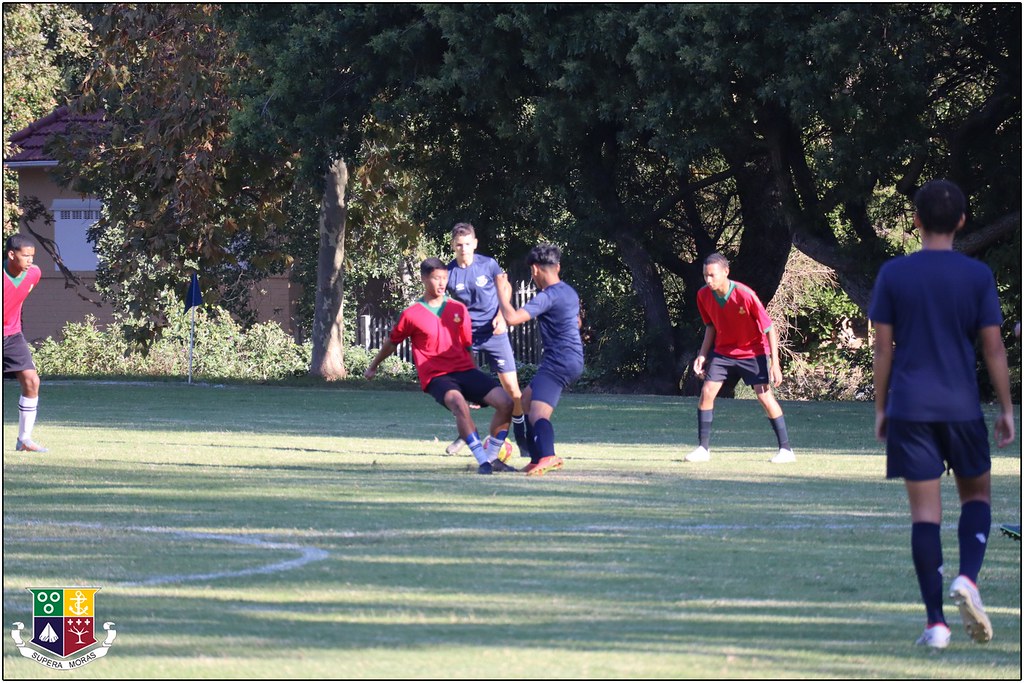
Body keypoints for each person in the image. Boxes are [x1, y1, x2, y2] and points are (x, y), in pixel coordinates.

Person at [869, 179, 1015, 649]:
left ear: (915, 221)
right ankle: (968, 577)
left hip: (910, 409)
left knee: (924, 516)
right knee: (977, 499)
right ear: (962, 222)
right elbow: (994, 348)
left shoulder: (894, 274)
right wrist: (1007, 408)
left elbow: (883, 349)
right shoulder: (977, 276)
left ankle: (936, 625)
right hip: (961, 408)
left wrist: (882, 407)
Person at [364, 257, 515, 474]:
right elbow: (392, 343)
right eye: (436, 278)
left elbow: (467, 346)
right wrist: (373, 365)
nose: (442, 283)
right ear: (424, 279)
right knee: (459, 404)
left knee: (506, 402)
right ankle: (483, 462)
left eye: (445, 278)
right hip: (437, 376)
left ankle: (492, 458)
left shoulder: (458, 308)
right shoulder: (411, 314)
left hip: (465, 370)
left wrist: (476, 378)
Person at [686, 253, 794, 464]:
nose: (708, 280)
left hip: (753, 352)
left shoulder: (745, 295)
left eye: (712, 275)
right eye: (705, 275)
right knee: (707, 392)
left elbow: (770, 329)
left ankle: (786, 450)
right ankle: (703, 449)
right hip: (723, 352)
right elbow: (710, 326)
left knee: (764, 397)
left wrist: (775, 363)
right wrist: (702, 355)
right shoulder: (703, 295)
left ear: (726, 272)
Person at [497, 243, 584, 476]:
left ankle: (548, 456)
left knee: (538, 414)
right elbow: (577, 322)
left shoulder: (548, 297)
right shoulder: (569, 292)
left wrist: (502, 295)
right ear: (558, 267)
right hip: (568, 358)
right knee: (526, 400)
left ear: (535, 269)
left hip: (559, 362)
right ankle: (536, 459)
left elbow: (512, 318)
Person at [444, 222, 526, 460]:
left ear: (475, 244)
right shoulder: (449, 273)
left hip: (494, 333)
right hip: (466, 337)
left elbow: (505, 289)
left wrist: (501, 315)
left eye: (467, 244)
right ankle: (466, 433)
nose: (463, 249)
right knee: (457, 389)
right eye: (459, 245)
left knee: (512, 389)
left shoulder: (488, 265)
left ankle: (522, 438)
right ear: (453, 246)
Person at [3, 234, 47, 452]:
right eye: (25, 256)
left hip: (12, 336)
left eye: (32, 256)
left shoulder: (34, 274)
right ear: (11, 254)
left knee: (31, 381)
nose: (30, 260)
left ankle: (24, 440)